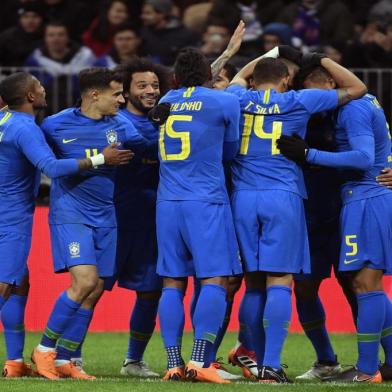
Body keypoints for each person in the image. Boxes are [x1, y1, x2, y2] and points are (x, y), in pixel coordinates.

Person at [226, 47, 366, 383]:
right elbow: (358, 87)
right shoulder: (298, 100)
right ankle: (271, 366)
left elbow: (238, 76)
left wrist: (264, 55)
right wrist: (322, 61)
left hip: (242, 199)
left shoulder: (236, 98)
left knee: (253, 285)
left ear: (255, 78)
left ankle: (255, 363)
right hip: (282, 197)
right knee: (280, 283)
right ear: (287, 79)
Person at [0, 71, 131, 377]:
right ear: (30, 97)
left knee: (19, 284)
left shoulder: (3, 121)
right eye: (40, 87)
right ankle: (39, 352)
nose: (45, 89)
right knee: (5, 285)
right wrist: (101, 159)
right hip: (11, 217)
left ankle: (15, 361)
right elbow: (52, 168)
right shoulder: (26, 128)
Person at [31, 67, 152, 380]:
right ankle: (45, 350)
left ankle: (65, 360)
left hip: (106, 215)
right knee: (84, 281)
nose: (122, 99)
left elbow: (148, 149)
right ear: (94, 94)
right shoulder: (55, 125)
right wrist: (101, 158)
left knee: (96, 288)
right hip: (71, 214)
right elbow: (49, 167)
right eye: (116, 93)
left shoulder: (121, 124)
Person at [277, 66, 392, 383]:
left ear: (331, 81)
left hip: (363, 200)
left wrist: (308, 154)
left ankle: (367, 370)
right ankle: (384, 362)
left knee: (364, 285)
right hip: (357, 201)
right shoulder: (365, 103)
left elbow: (364, 158)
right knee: (365, 285)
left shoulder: (352, 107)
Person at [154, 48, 242, 383]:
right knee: (216, 279)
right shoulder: (223, 101)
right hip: (205, 200)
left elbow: (189, 87)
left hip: (167, 203)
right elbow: (230, 151)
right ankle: (200, 362)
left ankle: (173, 363)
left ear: (174, 77)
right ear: (209, 74)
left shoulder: (167, 100)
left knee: (172, 283)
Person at [107, 57, 168, 377]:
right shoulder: (113, 120)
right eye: (142, 85)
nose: (150, 91)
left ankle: (133, 360)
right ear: (126, 90)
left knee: (150, 291)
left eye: (155, 85)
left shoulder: (168, 121)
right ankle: (66, 355)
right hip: (114, 218)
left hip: (152, 221)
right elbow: (144, 148)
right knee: (90, 287)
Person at [25, 21, 97, 114]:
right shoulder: (35, 59)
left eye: (60, 35)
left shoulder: (86, 56)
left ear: (67, 37)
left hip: (82, 112)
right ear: (45, 38)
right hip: (45, 113)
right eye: (51, 35)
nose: (56, 39)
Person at [140, 0, 199, 65]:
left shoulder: (186, 35)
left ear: (162, 14)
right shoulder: (143, 32)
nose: (143, 16)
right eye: (143, 13)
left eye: (148, 13)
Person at [0, 2, 44, 66]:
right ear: (20, 19)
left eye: (35, 16)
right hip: (10, 74)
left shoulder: (49, 36)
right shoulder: (7, 37)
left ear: (41, 19)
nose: (30, 21)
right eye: (25, 17)